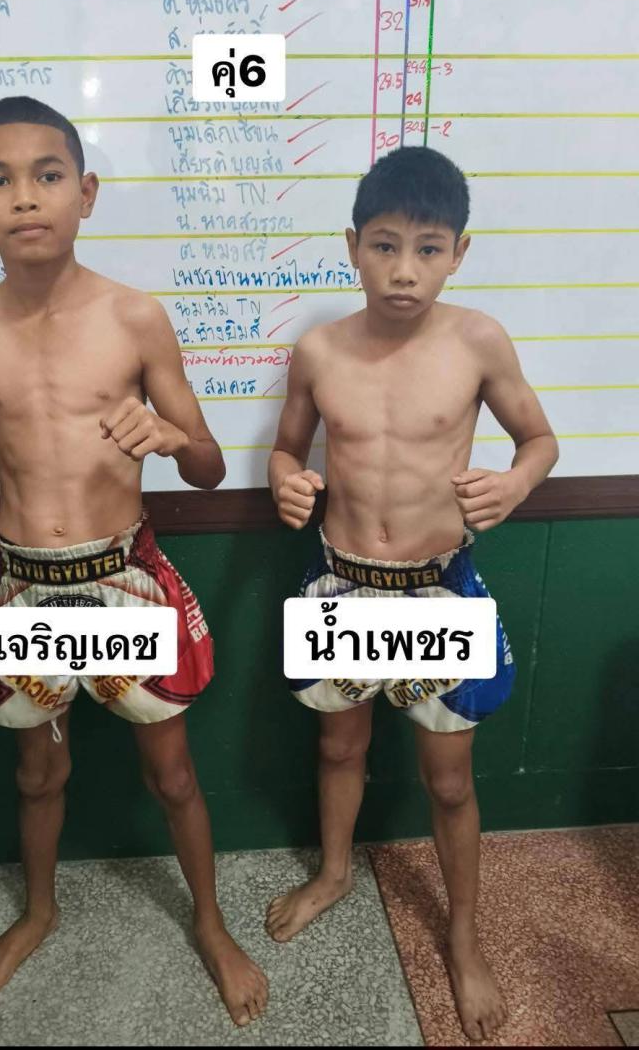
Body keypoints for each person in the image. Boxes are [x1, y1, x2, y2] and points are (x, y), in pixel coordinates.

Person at [0, 95, 268, 1026]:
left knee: (173, 774)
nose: (25, 197)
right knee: (38, 774)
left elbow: (208, 468)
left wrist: (171, 437)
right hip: (26, 585)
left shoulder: (134, 316)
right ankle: (39, 911)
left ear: (87, 193)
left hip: (123, 576)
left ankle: (209, 922)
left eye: (48, 175)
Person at [266, 146, 558, 1042]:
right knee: (338, 748)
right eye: (385, 245)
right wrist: (285, 482)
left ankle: (463, 939)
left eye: (428, 249)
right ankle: (334, 872)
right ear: (352, 245)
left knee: (451, 781)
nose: (404, 270)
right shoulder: (319, 349)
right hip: (342, 583)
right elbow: (287, 448)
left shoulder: (478, 341)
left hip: (439, 588)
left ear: (458, 253)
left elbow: (539, 440)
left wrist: (514, 483)